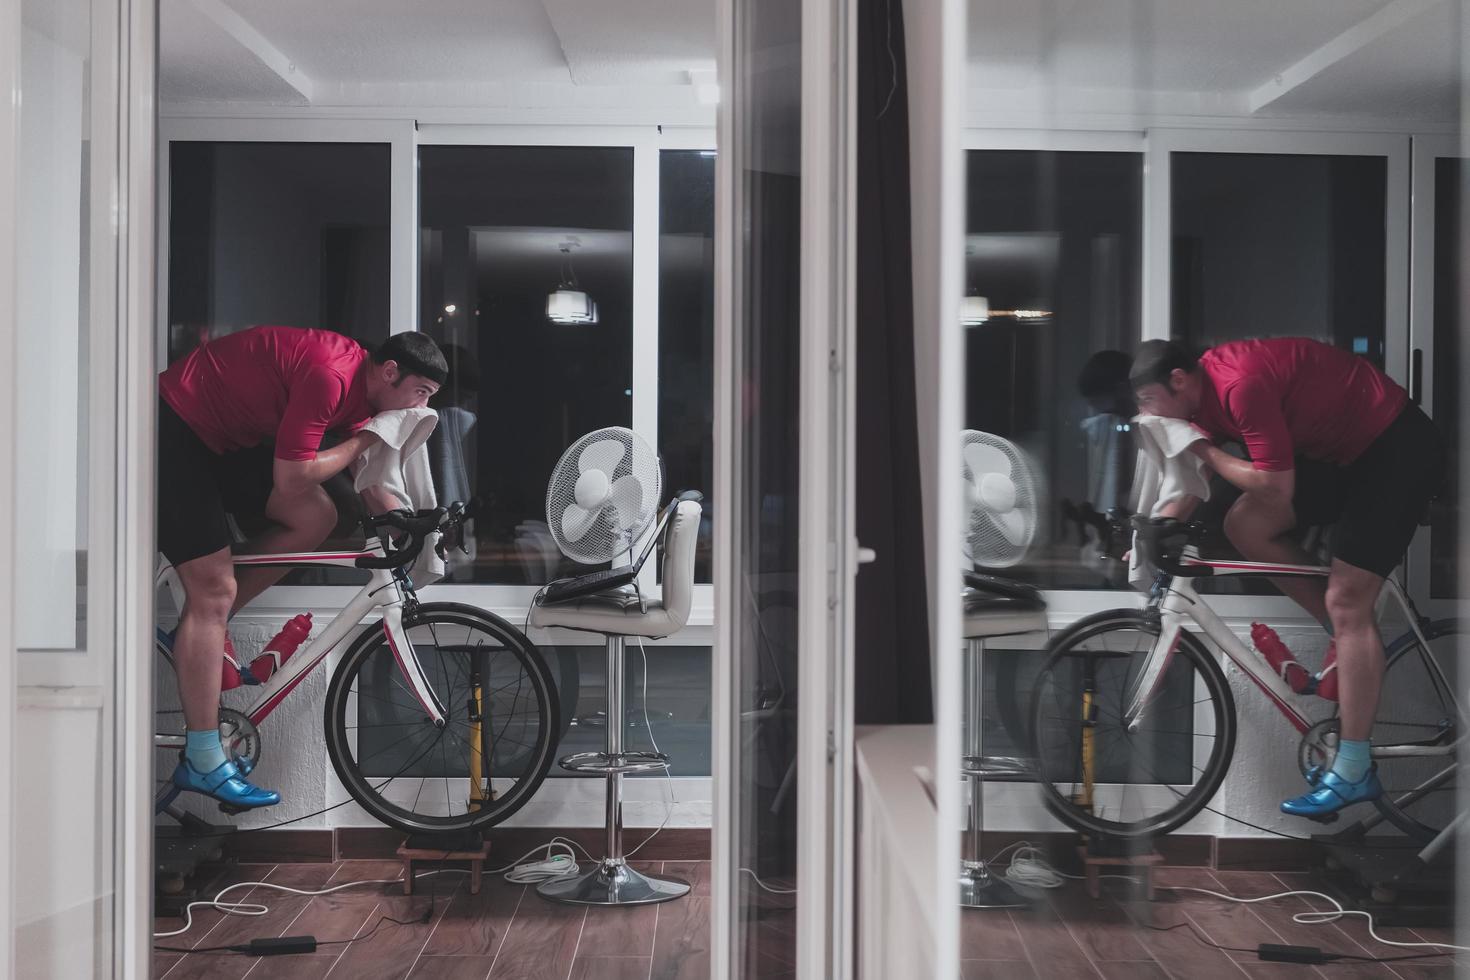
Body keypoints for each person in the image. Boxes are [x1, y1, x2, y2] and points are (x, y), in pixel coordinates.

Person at [1129, 337, 1445, 819]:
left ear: (1178, 381)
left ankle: (1355, 769)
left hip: (1394, 446)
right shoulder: (1199, 397)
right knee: (1244, 525)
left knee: (1348, 602)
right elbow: (1198, 482)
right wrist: (1153, 527)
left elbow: (1275, 486)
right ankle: (1341, 633)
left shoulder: (1239, 385)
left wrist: (1203, 448)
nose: (1151, 415)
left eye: (1151, 402)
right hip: (1346, 454)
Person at [158, 326, 447, 809]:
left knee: (318, 515)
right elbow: (292, 476)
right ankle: (202, 761)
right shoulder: (331, 374)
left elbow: (361, 475)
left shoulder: (367, 390)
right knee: (213, 592)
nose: (419, 407)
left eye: (430, 399)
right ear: (390, 372)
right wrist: (364, 440)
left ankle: (202, 628)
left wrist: (399, 518)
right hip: (173, 426)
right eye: (420, 393)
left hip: (221, 438)